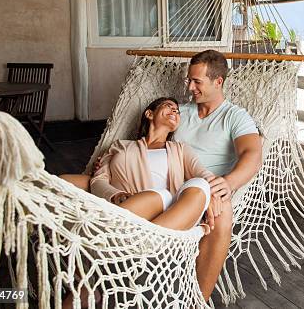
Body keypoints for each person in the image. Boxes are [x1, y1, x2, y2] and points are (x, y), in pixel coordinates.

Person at [60, 96, 223, 308]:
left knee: (197, 185)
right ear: (149, 114)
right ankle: (116, 258)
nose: (175, 111)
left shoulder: (180, 149)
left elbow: (204, 175)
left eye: (177, 110)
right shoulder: (120, 146)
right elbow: (98, 179)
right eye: (168, 106)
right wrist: (115, 195)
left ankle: (97, 267)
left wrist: (213, 194)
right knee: (62, 182)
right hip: (132, 208)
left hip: (170, 210)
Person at [175, 50, 262, 301]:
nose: (190, 87)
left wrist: (229, 183)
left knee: (222, 217)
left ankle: (198, 301)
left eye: (197, 82)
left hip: (208, 189)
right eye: (189, 81)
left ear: (218, 82)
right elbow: (152, 139)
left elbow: (252, 154)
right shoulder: (180, 112)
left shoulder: (235, 116)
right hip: (170, 181)